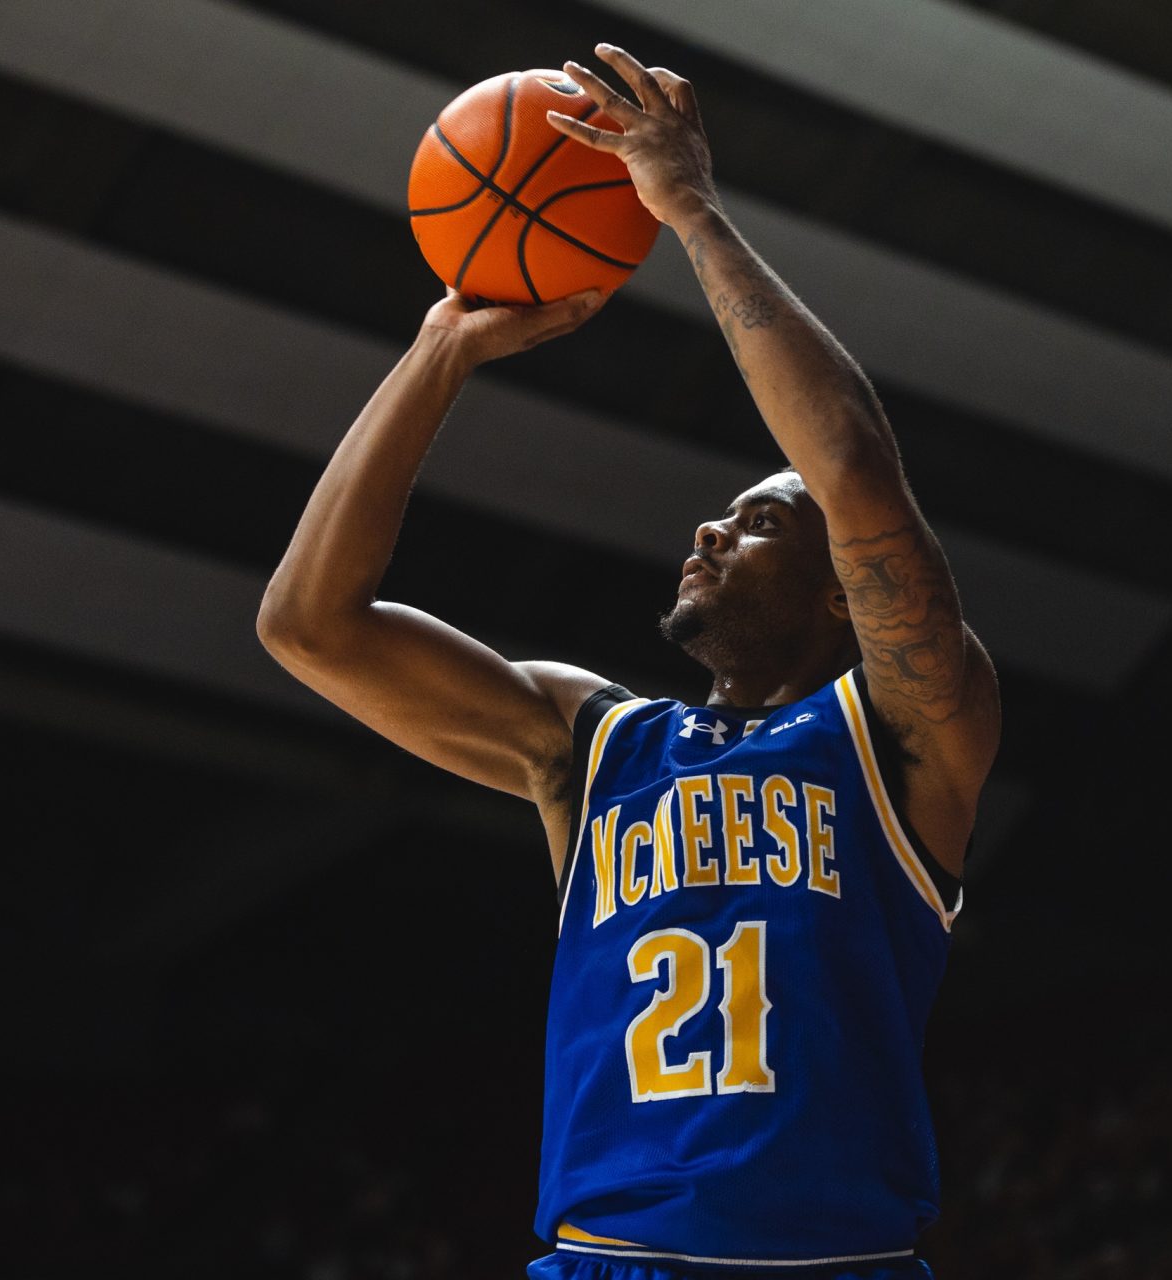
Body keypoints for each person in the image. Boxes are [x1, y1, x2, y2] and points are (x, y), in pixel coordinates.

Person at [256, 44, 1000, 1278]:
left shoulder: (910, 730)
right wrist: (442, 348)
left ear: (842, 588)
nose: (710, 528)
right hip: (608, 1256)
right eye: (721, 513)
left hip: (832, 1265)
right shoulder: (590, 743)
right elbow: (309, 625)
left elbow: (856, 471)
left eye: (761, 519)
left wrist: (690, 213)